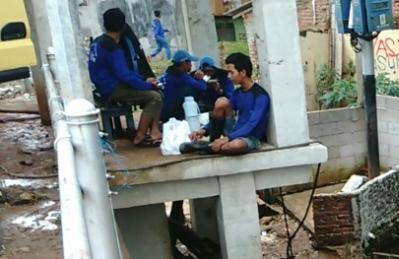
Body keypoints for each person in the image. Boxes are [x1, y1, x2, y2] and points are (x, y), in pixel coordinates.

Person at [88, 8, 163, 146]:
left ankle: (154, 131)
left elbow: (123, 73)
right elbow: (125, 76)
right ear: (123, 26)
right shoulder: (113, 49)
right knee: (155, 97)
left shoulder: (97, 42)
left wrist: (142, 79)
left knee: (154, 91)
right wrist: (147, 85)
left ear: (105, 24)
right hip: (112, 89)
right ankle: (140, 136)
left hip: (102, 85)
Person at [181, 52, 270, 155]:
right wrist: (203, 130)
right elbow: (223, 113)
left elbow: (252, 124)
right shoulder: (238, 93)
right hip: (233, 133)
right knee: (221, 102)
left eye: (231, 72)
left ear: (243, 72)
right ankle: (213, 142)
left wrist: (227, 138)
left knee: (234, 145)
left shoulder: (261, 96)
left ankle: (207, 147)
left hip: (250, 137)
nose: (228, 76)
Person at [160, 50, 206, 123]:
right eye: (190, 62)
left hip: (161, 113)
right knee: (193, 91)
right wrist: (200, 79)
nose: (191, 65)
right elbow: (202, 88)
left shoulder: (167, 74)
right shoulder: (182, 76)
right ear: (184, 63)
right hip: (172, 115)